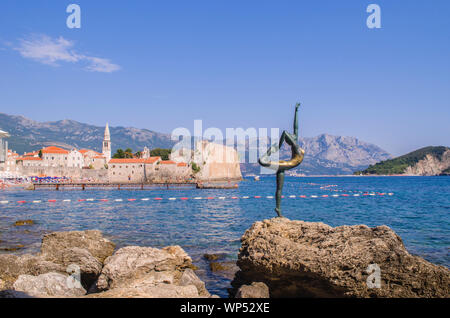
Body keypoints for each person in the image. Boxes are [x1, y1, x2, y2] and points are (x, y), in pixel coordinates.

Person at [258, 103, 305, 217]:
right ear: (289, 142)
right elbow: (284, 132)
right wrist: (278, 146)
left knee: (279, 188)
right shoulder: (294, 145)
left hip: (285, 164)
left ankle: (278, 209)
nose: (293, 137)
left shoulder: (295, 141)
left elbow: (296, 127)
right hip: (287, 164)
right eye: (291, 138)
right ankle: (278, 209)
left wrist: (296, 111)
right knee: (262, 161)